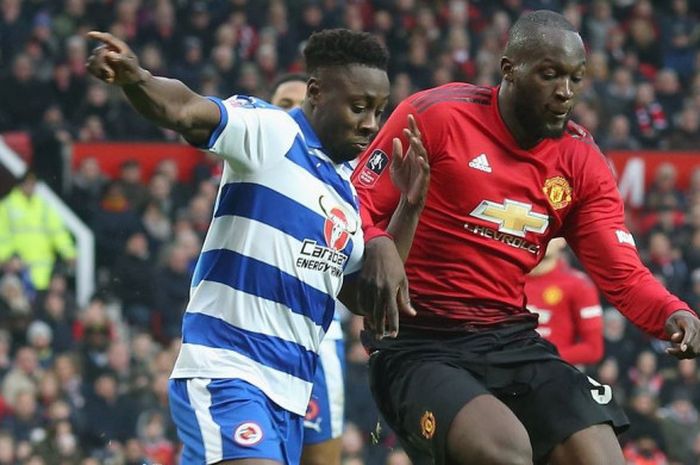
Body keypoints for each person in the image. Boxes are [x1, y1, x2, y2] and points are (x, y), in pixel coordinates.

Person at [351, 10, 700, 465]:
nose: (565, 93)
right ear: (509, 70)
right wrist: (377, 241)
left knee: (601, 457)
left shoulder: (580, 162)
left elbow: (623, 273)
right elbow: (352, 202)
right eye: (550, 75)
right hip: (418, 341)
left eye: (576, 78)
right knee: (504, 452)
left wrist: (672, 312)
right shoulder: (435, 116)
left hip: (509, 338)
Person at [86, 28, 429, 465]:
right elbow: (189, 111)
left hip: (290, 396)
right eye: (359, 107)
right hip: (229, 373)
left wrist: (410, 207)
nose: (370, 124)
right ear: (316, 93)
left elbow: (364, 296)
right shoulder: (273, 132)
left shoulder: (347, 192)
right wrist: (138, 79)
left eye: (379, 111)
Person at [269, 73, 344, 465]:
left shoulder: (343, 180)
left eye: (300, 104)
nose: (292, 113)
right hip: (247, 344)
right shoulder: (252, 159)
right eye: (283, 103)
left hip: (317, 345)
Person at [524, 238, 604, 366]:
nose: (543, 238)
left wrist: (542, 359)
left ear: (562, 240)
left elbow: (593, 349)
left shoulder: (579, 285)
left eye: (551, 234)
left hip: (554, 378)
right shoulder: (506, 280)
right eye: (540, 231)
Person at [0, 171, 76, 291]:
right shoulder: (7, 206)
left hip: (44, 269)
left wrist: (69, 253)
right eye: (27, 184)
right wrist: (6, 257)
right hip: (18, 268)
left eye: (33, 184)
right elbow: (2, 234)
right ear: (20, 185)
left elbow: (58, 232)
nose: (30, 187)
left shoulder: (44, 206)